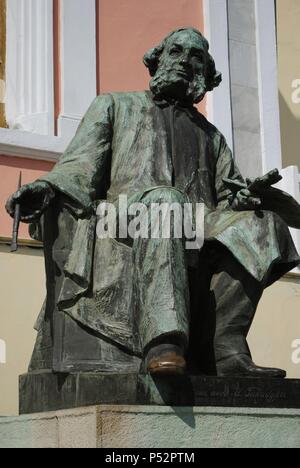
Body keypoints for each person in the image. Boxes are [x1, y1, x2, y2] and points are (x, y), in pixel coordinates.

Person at [6, 28, 300, 378]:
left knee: (264, 225)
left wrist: (241, 199)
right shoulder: (115, 105)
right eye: (177, 52)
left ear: (205, 74)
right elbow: (79, 166)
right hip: (121, 220)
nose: (186, 62)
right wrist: (46, 187)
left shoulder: (212, 136)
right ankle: (164, 341)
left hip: (196, 223)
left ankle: (224, 347)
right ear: (158, 59)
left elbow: (224, 196)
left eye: (197, 58)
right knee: (166, 203)